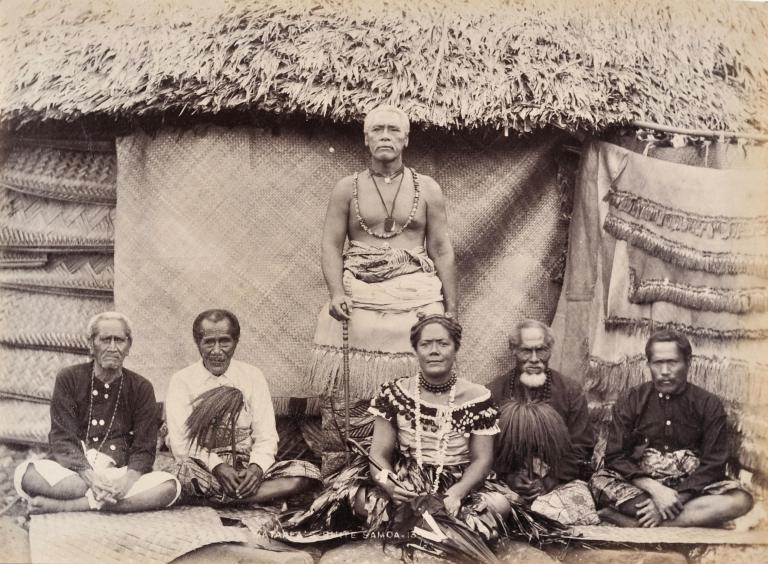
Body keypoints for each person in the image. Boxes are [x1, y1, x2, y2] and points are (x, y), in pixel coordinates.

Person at [308, 104, 457, 473]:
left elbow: (440, 248)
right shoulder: (348, 188)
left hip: (416, 295)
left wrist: (450, 309)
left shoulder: (428, 189)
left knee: (419, 381)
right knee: (350, 394)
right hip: (358, 294)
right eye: (378, 130)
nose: (385, 136)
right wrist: (336, 294)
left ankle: (411, 467)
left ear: (405, 139)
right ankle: (347, 470)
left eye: (393, 129)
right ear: (366, 138)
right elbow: (330, 245)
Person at [287, 314, 516, 547]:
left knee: (499, 504)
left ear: (456, 348)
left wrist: (457, 492)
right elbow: (378, 455)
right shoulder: (395, 393)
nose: (434, 351)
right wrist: (390, 486)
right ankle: (432, 529)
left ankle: (422, 528)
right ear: (415, 350)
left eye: (443, 343)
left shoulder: (478, 397)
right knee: (355, 499)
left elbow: (482, 459)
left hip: (458, 481)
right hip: (406, 479)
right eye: (426, 344)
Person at [13, 312, 180, 513]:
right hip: (75, 472)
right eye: (104, 339)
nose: (112, 347)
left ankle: (71, 505)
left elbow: (144, 448)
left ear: (129, 346)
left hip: (119, 473)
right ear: (91, 344)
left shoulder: (141, 387)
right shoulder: (69, 378)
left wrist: (126, 483)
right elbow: (62, 437)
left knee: (169, 487)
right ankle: (107, 503)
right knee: (27, 474)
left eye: (119, 340)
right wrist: (91, 479)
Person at [589, 329, 753, 527]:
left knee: (741, 500)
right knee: (598, 484)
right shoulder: (631, 399)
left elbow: (714, 463)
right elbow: (615, 457)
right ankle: (684, 518)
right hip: (642, 487)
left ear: (688, 362)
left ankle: (642, 523)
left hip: (691, 488)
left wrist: (678, 497)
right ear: (649, 364)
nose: (665, 371)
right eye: (658, 363)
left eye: (673, 362)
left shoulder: (708, 404)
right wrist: (656, 490)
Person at [166, 309, 321, 506]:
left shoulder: (252, 376)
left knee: (306, 473)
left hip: (245, 467)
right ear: (198, 343)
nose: (216, 350)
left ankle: (219, 500)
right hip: (204, 469)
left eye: (224, 341)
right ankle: (245, 498)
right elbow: (181, 443)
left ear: (236, 341)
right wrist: (218, 467)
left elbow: (266, 436)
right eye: (208, 342)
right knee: (182, 472)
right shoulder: (182, 380)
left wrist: (256, 469)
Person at [489, 319, 598, 525]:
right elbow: (486, 448)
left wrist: (550, 480)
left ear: (550, 349)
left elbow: (581, 447)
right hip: (508, 483)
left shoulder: (570, 391)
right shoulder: (495, 391)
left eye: (541, 350)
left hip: (557, 482)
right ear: (513, 350)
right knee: (494, 508)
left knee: (569, 511)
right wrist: (510, 477)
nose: (534, 359)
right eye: (525, 351)